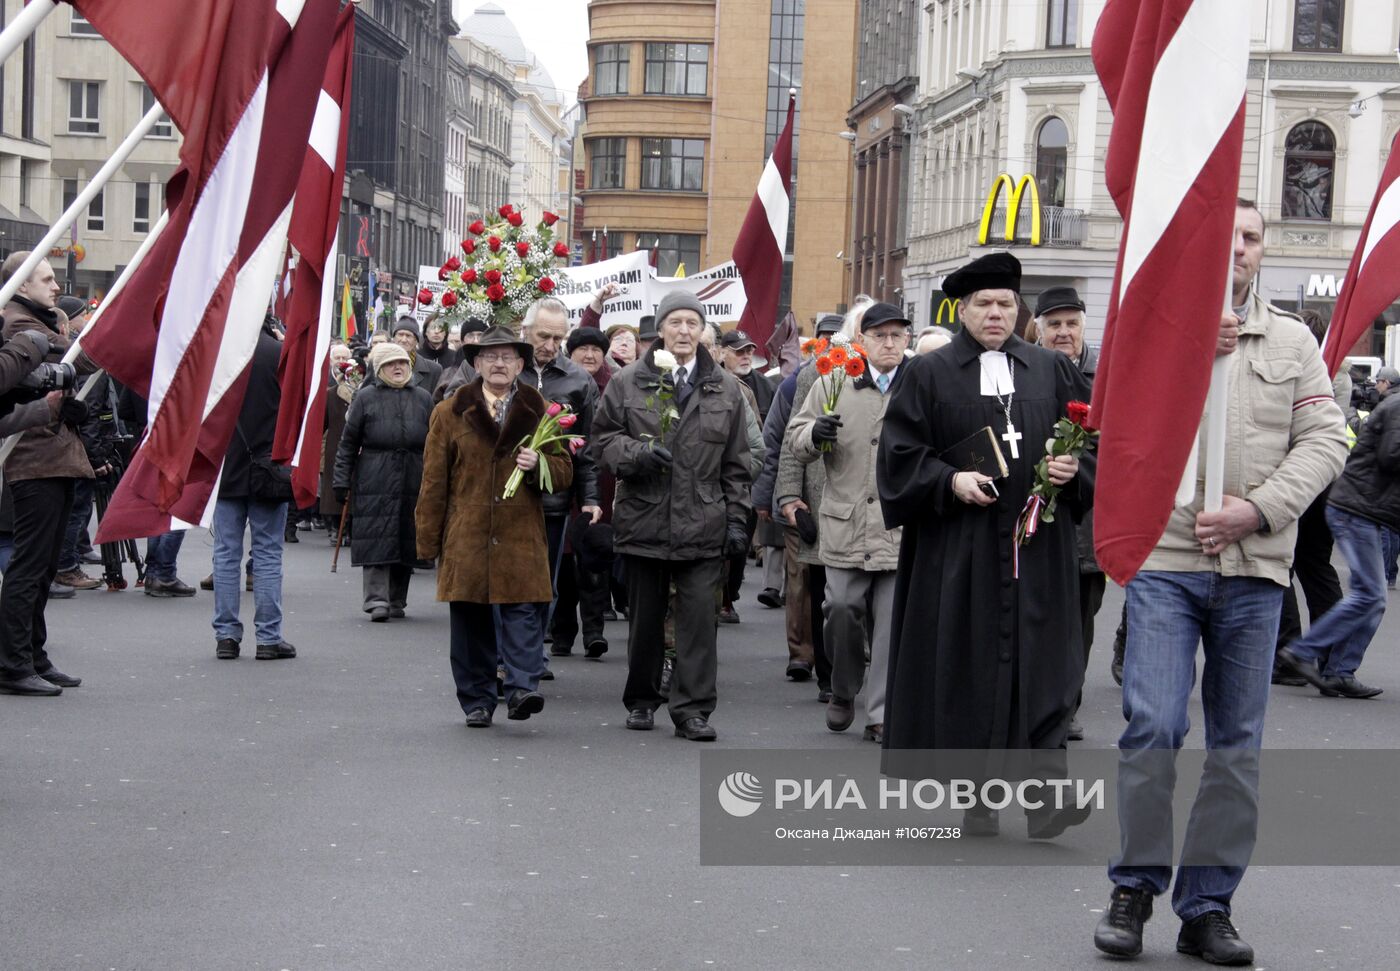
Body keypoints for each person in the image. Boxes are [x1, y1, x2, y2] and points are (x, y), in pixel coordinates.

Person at [1094, 200, 1347, 966]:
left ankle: (1207, 905)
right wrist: (1190, 345)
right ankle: (1134, 886)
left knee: (1236, 747)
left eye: (1250, 236)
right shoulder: (1150, 329)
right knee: (1155, 727)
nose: (1237, 248)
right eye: (1226, 235)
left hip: (1255, 570)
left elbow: (1327, 437)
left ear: (1262, 249)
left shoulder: (1295, 339)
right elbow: (1112, 423)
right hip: (1168, 565)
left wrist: (1258, 509)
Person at [876, 252, 1093, 835]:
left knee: (1046, 667)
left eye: (1005, 304)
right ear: (963, 310)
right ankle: (978, 798)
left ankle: (1046, 801)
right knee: (972, 667)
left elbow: (1098, 443)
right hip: (961, 550)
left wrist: (1077, 469)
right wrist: (949, 480)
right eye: (984, 304)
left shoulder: (1051, 369)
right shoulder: (929, 373)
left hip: (1038, 548)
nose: (996, 313)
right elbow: (898, 457)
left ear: (1018, 310)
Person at [592, 291, 752, 741]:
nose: (684, 331)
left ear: (703, 331)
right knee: (644, 619)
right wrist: (637, 453)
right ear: (660, 329)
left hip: (703, 519)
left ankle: (693, 710)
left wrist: (737, 519)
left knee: (700, 621)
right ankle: (642, 700)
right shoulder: (627, 381)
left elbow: (738, 464)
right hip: (645, 516)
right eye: (675, 322)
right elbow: (603, 440)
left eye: (692, 323)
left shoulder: (724, 387)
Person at [416, 326, 572, 727]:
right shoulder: (449, 412)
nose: (499, 364)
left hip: (520, 534)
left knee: (523, 612)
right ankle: (477, 701)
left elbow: (564, 469)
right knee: (471, 621)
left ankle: (522, 688)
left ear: (521, 365)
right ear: (476, 363)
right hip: (466, 534)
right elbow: (434, 481)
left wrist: (540, 467)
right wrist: (428, 542)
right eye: (491, 357)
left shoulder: (539, 407)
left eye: (508, 358)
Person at [788, 302, 910, 743]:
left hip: (897, 528)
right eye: (880, 335)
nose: (889, 343)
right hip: (844, 522)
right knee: (839, 609)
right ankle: (842, 688)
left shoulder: (917, 386)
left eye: (897, 335)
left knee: (891, 623)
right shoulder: (834, 381)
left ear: (907, 340)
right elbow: (795, 439)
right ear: (862, 341)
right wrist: (813, 434)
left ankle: (879, 712)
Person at [0, 253, 92, 695]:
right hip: (34, 457)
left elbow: (75, 367)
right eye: (47, 278)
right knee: (30, 565)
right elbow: (40, 370)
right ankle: (13, 663)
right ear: (21, 285)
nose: (56, 287)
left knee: (44, 566)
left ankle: (33, 655)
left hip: (52, 454)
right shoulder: (21, 325)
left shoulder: (43, 322)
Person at [1275, 382, 1398, 699]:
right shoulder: (1398, 407)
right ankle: (1304, 651)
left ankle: (1339, 670)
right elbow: (1391, 456)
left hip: (1363, 509)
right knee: (1370, 595)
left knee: (1371, 596)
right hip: (1355, 509)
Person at [1033, 285, 1100, 741]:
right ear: (1038, 329)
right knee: (1035, 620)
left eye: (1071, 323)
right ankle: (1037, 704)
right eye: (1053, 324)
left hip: (1090, 528)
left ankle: (1067, 705)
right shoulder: (1026, 373)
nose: (1063, 332)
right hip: (1036, 527)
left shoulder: (1107, 378)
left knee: (1080, 624)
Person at [768, 312, 846, 693]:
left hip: (871, 509)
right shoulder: (812, 375)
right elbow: (787, 439)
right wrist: (788, 497)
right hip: (817, 499)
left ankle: (854, 667)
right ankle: (821, 670)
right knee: (815, 589)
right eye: (827, 337)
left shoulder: (898, 378)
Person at [211, 316, 296, 662]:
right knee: (267, 553)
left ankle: (226, 636)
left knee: (225, 553)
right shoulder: (278, 353)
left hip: (225, 466)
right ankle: (268, 637)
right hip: (269, 467)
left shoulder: (217, 356)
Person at [333, 342, 434, 621]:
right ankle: (376, 600)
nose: (398, 368)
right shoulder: (365, 397)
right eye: (391, 364)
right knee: (377, 535)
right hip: (375, 475)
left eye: (402, 363)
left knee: (406, 536)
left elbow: (436, 442)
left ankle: (397, 599)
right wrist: (341, 481)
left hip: (414, 475)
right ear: (379, 369)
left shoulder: (424, 398)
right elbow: (348, 444)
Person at [390, 317, 443, 395]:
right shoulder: (379, 364)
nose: (404, 340)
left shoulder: (434, 370)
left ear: (416, 341)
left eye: (408, 336)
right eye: (400, 335)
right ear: (394, 339)